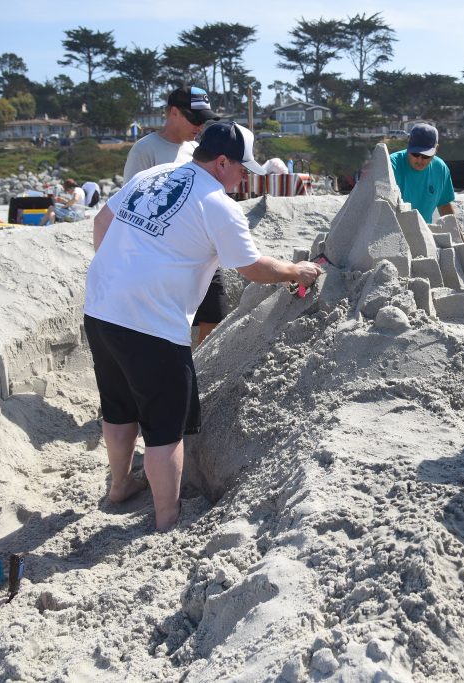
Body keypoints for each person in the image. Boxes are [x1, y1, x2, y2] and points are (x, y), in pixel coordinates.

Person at [84, 122, 323, 531]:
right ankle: (166, 519)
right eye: (243, 168)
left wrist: (124, 269)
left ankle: (120, 486)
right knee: (165, 428)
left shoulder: (149, 176)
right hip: (152, 324)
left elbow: (102, 224)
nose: (246, 177)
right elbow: (250, 266)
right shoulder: (217, 202)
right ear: (222, 161)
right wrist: (293, 271)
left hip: (102, 308)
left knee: (118, 403)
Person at [125, 86, 227, 346]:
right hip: (162, 253)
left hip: (200, 247)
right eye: (195, 118)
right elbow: (130, 203)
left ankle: (200, 370)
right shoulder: (144, 150)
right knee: (167, 321)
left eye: (204, 119)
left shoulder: (197, 149)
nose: (200, 125)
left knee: (215, 312)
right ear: (173, 112)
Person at [389, 123, 456, 225]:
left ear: (436, 149)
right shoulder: (391, 165)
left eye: (426, 156)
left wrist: (458, 236)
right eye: (415, 154)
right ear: (408, 146)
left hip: (423, 236)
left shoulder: (441, 169)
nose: (419, 160)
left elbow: (444, 206)